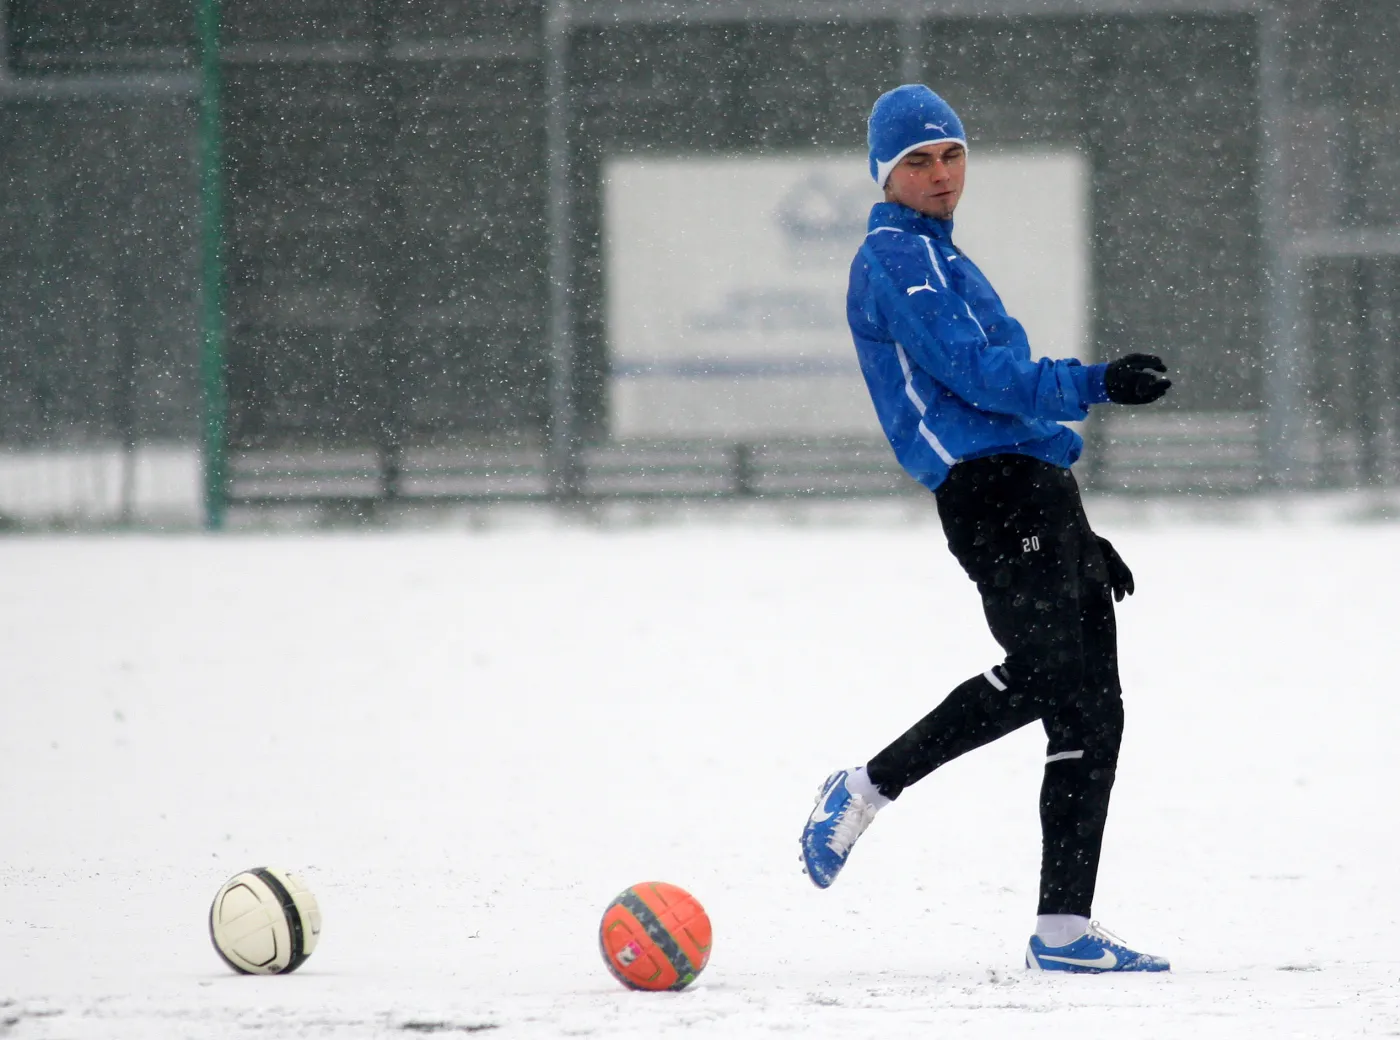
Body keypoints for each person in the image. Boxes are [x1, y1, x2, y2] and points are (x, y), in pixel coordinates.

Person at [799, 84, 1172, 973]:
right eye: (917, 162)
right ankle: (864, 788)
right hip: (991, 493)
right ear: (884, 177)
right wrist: (1093, 381)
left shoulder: (942, 254)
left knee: (1094, 709)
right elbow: (979, 376)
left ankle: (1064, 931)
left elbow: (1004, 399)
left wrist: (1079, 524)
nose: (940, 174)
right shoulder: (895, 255)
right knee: (1049, 674)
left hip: (1033, 487)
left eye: (952, 154)